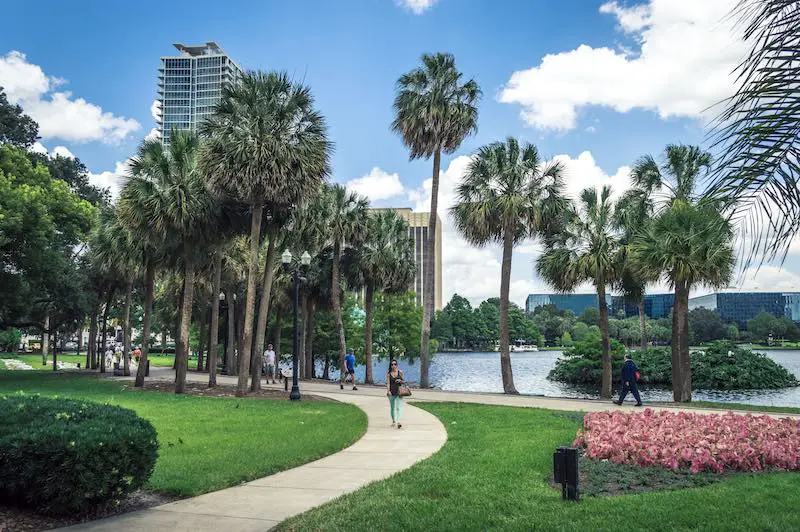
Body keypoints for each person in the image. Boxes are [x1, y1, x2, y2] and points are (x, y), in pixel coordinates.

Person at [386, 360, 405, 428]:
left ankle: (398, 422)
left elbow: (403, 381)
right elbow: (388, 383)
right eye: (392, 364)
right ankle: (394, 421)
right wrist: (388, 391)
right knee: (392, 408)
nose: (393, 366)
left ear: (397, 365)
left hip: (399, 392)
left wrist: (400, 381)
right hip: (391, 392)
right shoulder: (389, 374)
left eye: (395, 364)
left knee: (398, 407)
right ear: (390, 366)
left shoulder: (401, 372)